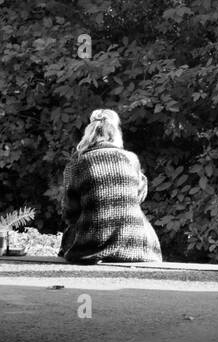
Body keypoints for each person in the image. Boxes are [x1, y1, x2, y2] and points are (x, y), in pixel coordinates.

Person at [58, 109, 163, 264]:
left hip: (92, 245)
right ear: (116, 135)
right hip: (139, 244)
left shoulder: (77, 164)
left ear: (89, 136)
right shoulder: (131, 159)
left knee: (71, 235)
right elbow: (139, 197)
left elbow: (69, 211)